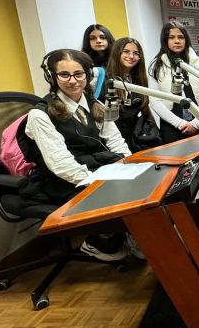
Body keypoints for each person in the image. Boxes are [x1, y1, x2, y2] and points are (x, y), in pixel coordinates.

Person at [21, 49, 132, 261]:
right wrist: (101, 183)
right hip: (64, 180)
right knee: (123, 196)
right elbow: (62, 166)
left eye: (78, 74)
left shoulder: (95, 104)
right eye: (64, 75)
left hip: (95, 169)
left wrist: (129, 164)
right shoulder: (40, 115)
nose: (73, 81)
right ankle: (97, 242)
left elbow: (115, 140)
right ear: (52, 77)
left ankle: (134, 238)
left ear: (87, 75)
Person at [148, 22, 199, 144]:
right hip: (171, 126)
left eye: (180, 37)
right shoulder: (156, 66)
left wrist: (196, 123)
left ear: (186, 39)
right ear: (165, 40)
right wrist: (179, 123)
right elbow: (155, 101)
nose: (177, 41)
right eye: (171, 37)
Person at [104, 38, 160, 153]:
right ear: (117, 53)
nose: (131, 56)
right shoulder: (105, 78)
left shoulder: (139, 79)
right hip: (113, 139)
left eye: (136, 53)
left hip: (135, 137)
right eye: (126, 52)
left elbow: (145, 108)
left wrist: (154, 132)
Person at [80, 24, 115, 98]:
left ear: (108, 39)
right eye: (92, 38)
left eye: (102, 37)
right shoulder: (82, 62)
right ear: (87, 41)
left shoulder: (118, 58)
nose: (98, 41)